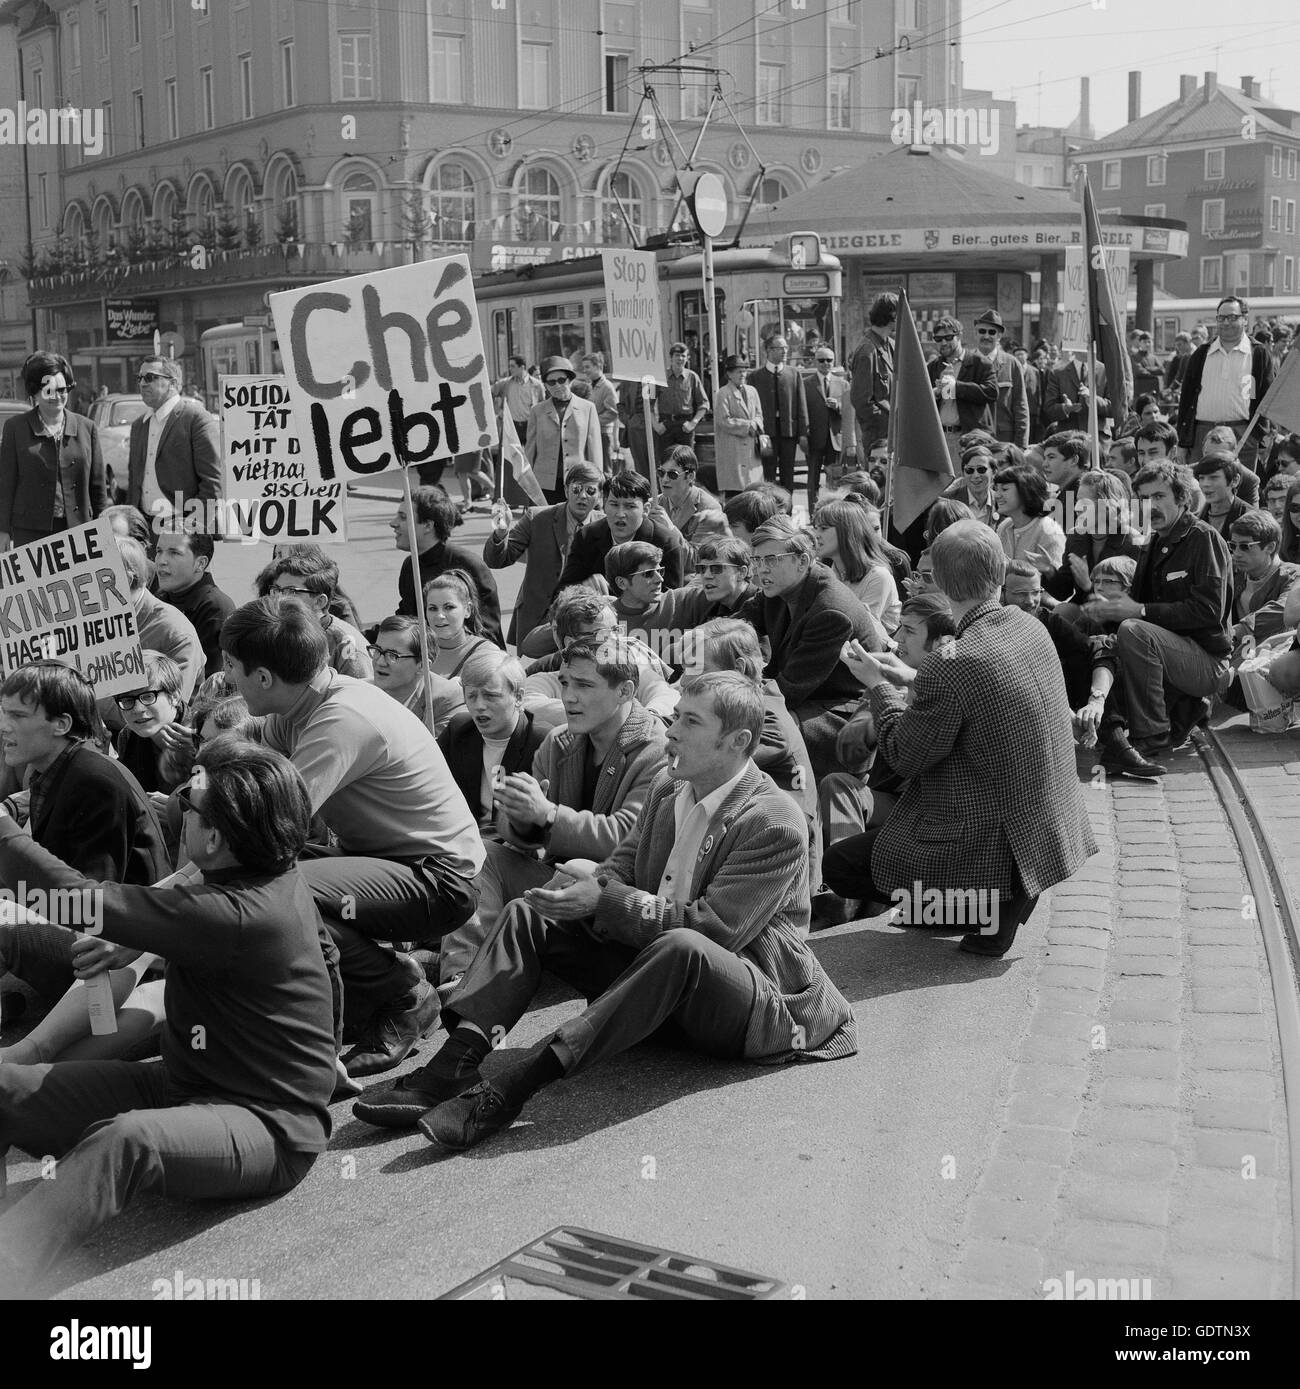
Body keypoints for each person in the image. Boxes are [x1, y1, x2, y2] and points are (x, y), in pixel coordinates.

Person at [352, 672, 856, 1139]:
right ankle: (452, 1066)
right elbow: (619, 867)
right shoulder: (669, 786)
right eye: (675, 713)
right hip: (656, 989)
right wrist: (584, 892)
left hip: (749, 1003)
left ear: (737, 742)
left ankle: (513, 1090)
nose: (671, 730)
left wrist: (606, 898)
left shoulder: (774, 821)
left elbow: (716, 932)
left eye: (690, 721)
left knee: (683, 945)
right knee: (533, 910)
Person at [0, 739, 337, 1297]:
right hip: (183, 1083)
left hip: (266, 1127)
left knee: (125, 1140)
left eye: (192, 806)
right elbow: (328, 962)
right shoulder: (261, 875)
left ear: (217, 837)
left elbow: (75, 899)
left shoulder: (234, 912)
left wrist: (5, 836)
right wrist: (131, 945)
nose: (178, 810)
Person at [220, 598, 483, 1077]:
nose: (227, 676)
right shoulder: (303, 701)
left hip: (438, 878)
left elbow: (263, 828)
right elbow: (247, 736)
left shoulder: (342, 719)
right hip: (385, 863)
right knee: (252, 872)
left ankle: (402, 996)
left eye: (231, 666)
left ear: (263, 679)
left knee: (276, 887)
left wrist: (162, 903)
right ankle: (371, 984)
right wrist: (201, 770)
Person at [823, 520, 1096, 957]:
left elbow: (903, 755)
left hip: (991, 831)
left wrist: (878, 686)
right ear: (1000, 573)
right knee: (906, 901)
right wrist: (908, 675)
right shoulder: (1029, 626)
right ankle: (995, 898)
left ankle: (987, 902)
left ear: (943, 582)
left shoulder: (953, 661)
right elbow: (982, 689)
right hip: (1047, 824)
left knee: (839, 866)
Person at [452, 635, 669, 970]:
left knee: (574, 871)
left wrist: (548, 813)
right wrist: (522, 816)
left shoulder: (655, 751)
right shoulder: (559, 741)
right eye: (565, 682)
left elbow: (628, 836)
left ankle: (499, 964)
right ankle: (460, 972)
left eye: (584, 685)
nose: (568, 697)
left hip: (616, 892)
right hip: (555, 877)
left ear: (625, 691)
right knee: (479, 851)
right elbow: (525, 839)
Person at [0, 661, 169, 1011]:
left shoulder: (94, 780)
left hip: (123, 962)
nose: (3, 726)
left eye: (17, 716)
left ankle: (88, 1026)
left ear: (61, 724)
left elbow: (90, 908)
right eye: (3, 713)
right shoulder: (59, 767)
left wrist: (14, 890)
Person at [1091, 461, 1233, 777]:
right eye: (1143, 498)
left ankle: (1151, 736)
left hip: (1208, 660)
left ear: (1182, 498)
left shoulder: (1201, 538)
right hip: (1171, 653)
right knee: (1104, 639)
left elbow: (1209, 611)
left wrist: (1139, 612)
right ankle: (1136, 724)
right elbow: (1136, 603)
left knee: (1134, 631)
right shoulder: (1154, 541)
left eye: (1159, 496)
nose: (1151, 506)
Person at [744, 514, 887, 779]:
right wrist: (697, 643)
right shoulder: (778, 587)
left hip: (840, 713)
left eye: (772, 560)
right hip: (807, 697)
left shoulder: (830, 611)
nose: (761, 569)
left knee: (759, 731)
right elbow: (738, 626)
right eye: (757, 560)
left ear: (802, 561)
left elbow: (789, 690)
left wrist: (726, 701)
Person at [484, 462, 603, 646]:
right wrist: (501, 532)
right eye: (577, 489)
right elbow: (497, 560)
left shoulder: (606, 524)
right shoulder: (537, 517)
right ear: (566, 490)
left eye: (590, 491)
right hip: (540, 617)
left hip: (588, 621)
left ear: (600, 496)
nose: (582, 496)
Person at [521, 587, 678, 726]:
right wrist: (614, 718)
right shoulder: (543, 681)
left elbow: (666, 695)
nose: (615, 640)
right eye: (601, 635)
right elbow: (527, 704)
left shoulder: (635, 671)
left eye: (616, 630)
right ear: (571, 643)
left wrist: (642, 721)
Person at [0, 351, 107, 550]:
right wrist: (3, 530)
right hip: (30, 532)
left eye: (62, 389)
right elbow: (6, 483)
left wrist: (104, 529)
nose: (57, 396)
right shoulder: (16, 428)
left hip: (79, 531)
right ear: (34, 392)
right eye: (48, 390)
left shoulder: (87, 427)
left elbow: (98, 487)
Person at [103, 536, 204, 733]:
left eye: (88, 584)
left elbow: (167, 714)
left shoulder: (175, 633)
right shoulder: (94, 624)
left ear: (124, 581)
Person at [390, 486, 503, 647]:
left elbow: (488, 632)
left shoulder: (468, 564)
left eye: (403, 517)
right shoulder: (410, 565)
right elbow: (407, 621)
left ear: (428, 525)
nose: (393, 523)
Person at [1176, 296, 1275, 469]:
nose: (1226, 323)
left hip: (1243, 436)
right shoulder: (1202, 354)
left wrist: (1260, 436)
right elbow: (1186, 398)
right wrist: (1183, 441)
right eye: (1221, 318)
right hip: (1203, 435)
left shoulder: (1258, 353)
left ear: (1245, 319)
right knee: (1201, 489)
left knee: (1241, 490)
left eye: (1232, 317)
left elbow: (1266, 397)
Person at [126, 356, 222, 530]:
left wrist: (193, 527)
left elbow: (213, 483)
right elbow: (134, 481)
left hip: (182, 527)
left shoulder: (195, 418)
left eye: (150, 377)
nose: (142, 384)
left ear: (173, 383)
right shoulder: (139, 425)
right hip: (144, 528)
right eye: (139, 378)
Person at [555, 469, 685, 594]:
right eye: (614, 504)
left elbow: (671, 604)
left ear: (646, 509)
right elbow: (563, 591)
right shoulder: (587, 536)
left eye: (630, 506)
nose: (620, 514)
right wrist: (583, 588)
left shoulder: (666, 543)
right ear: (604, 505)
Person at [257, 549, 373, 680]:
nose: (279, 598)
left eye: (291, 591)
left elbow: (360, 695)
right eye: (277, 589)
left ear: (319, 601)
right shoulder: (272, 632)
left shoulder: (346, 646)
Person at [153, 529, 235, 677]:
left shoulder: (216, 608)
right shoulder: (158, 598)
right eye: (159, 551)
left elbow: (210, 683)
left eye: (174, 553)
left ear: (201, 563)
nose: (161, 561)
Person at [813, 496, 902, 631]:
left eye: (823, 528)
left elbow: (857, 630)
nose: (816, 535)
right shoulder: (827, 571)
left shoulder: (878, 576)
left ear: (847, 531)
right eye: (816, 528)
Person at [524, 356, 603, 505]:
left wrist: (597, 484)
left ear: (570, 380)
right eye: (551, 382)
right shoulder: (537, 411)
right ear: (545, 385)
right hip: (544, 484)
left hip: (579, 481)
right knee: (547, 525)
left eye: (561, 380)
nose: (557, 385)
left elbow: (595, 449)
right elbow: (530, 450)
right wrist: (528, 483)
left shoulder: (588, 408)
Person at [368, 614, 465, 733]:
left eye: (392, 655)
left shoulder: (446, 700)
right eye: (377, 650)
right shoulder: (359, 692)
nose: (380, 662)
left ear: (423, 665)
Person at [113, 650, 191, 795]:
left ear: (174, 695)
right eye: (127, 700)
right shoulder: (127, 736)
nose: (137, 709)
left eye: (148, 696)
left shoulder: (202, 733)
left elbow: (207, 789)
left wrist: (178, 807)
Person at [927, 316, 996, 468]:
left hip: (968, 437)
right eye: (938, 339)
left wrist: (956, 387)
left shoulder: (980, 363)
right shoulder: (932, 367)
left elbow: (991, 392)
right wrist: (935, 393)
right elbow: (921, 402)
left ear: (959, 336)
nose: (943, 342)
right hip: (940, 437)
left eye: (948, 337)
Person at [1227, 509, 1300, 648]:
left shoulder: (1295, 575)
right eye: (1232, 546)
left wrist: (1238, 631)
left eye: (1245, 547)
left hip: (1273, 656)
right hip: (1236, 654)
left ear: (1270, 547)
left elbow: (1281, 610)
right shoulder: (1233, 572)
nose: (1236, 553)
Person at [749, 336, 808, 493]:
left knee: (788, 474)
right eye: (780, 348)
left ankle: (787, 511)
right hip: (765, 435)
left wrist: (803, 433)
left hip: (788, 432)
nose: (785, 351)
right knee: (768, 474)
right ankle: (769, 509)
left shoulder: (794, 374)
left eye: (786, 348)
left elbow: (801, 405)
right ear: (768, 350)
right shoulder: (755, 377)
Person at [993, 463, 1066, 577]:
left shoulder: (1049, 532)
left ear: (1026, 491)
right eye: (996, 489)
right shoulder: (1004, 526)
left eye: (1004, 489)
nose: (997, 495)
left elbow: (1057, 588)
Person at [803, 344, 853, 510]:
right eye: (821, 360)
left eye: (829, 360)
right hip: (814, 438)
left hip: (835, 438)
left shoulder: (843, 384)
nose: (825, 363)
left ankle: (831, 511)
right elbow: (802, 412)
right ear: (815, 362)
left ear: (834, 362)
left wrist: (838, 406)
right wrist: (803, 434)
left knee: (834, 478)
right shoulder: (805, 384)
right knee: (813, 479)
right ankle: (813, 513)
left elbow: (849, 412)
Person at [848, 292, 897, 458]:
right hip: (879, 436)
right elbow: (861, 401)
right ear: (893, 316)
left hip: (893, 433)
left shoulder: (890, 345)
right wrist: (887, 424)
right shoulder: (867, 351)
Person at [972, 310, 1029, 448]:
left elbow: (1020, 407)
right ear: (975, 333)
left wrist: (1020, 446)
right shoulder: (967, 362)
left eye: (992, 332)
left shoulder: (1011, 363)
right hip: (973, 440)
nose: (986, 336)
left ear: (999, 336)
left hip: (1003, 441)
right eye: (982, 331)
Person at [713, 354, 764, 496]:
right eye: (738, 371)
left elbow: (759, 414)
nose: (742, 374)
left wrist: (756, 424)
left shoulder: (752, 391)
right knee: (735, 492)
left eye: (744, 371)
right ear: (729, 374)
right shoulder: (723, 393)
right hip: (733, 450)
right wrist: (749, 426)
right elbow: (723, 420)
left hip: (751, 450)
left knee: (753, 491)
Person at [1042, 352, 1112, 446]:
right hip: (1068, 441)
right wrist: (1066, 408)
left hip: (1098, 440)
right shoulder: (1058, 373)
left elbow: (1114, 408)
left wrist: (1093, 400)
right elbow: (1049, 408)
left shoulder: (1106, 370)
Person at [658, 445, 719, 549]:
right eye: (661, 472)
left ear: (690, 476)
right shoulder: (653, 504)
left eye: (672, 474)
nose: (664, 480)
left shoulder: (709, 509)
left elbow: (698, 557)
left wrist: (670, 529)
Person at [655, 342, 709, 452]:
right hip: (665, 426)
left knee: (686, 463)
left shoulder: (692, 377)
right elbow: (648, 402)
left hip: (685, 426)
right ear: (671, 357)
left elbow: (704, 404)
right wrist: (656, 426)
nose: (680, 359)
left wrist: (693, 423)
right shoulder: (659, 377)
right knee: (666, 463)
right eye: (677, 355)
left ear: (687, 358)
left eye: (683, 356)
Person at [1194, 451, 1257, 540]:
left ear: (1235, 481)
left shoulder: (1252, 520)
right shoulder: (1193, 522)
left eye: (1213, 478)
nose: (1205, 484)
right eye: (1201, 478)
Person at [491, 354, 544, 449]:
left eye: (512, 366)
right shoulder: (505, 383)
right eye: (509, 366)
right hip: (512, 426)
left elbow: (543, 405)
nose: (510, 369)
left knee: (531, 456)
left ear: (522, 367)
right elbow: (489, 394)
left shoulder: (537, 385)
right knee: (513, 458)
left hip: (530, 426)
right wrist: (498, 411)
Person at [581, 352, 619, 472]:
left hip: (603, 435)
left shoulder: (607, 386)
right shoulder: (589, 386)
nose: (585, 370)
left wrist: (593, 421)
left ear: (598, 366)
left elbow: (613, 412)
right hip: (591, 434)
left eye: (587, 367)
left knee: (605, 469)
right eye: (584, 367)